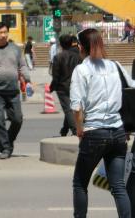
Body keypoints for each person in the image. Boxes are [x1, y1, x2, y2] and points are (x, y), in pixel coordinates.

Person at [71, 28, 134, 218]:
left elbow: (76, 106)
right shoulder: (115, 65)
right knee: (118, 186)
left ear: (81, 47)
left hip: (94, 132)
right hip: (118, 132)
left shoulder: (81, 70)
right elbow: (131, 85)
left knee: (80, 182)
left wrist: (80, 129)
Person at [0, 22, 30, 159]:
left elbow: (22, 66)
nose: (3, 35)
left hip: (13, 90)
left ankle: (8, 139)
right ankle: (5, 149)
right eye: (0, 33)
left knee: (18, 119)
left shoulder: (15, 49)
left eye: (5, 32)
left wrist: (28, 80)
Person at [50, 34, 81, 137]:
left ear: (61, 44)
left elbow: (56, 75)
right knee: (71, 108)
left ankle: (75, 130)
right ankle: (64, 130)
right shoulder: (79, 56)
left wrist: (52, 87)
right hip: (77, 85)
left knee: (68, 109)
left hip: (63, 87)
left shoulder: (58, 57)